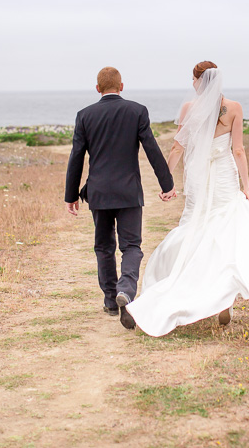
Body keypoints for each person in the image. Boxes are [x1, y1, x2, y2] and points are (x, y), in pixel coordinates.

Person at [126, 61, 249, 336]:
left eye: (193, 79)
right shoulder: (234, 108)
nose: (192, 84)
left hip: (200, 177)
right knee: (225, 230)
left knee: (193, 228)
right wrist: (246, 187)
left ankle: (187, 285)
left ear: (198, 81)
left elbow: (178, 147)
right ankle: (223, 295)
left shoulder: (189, 109)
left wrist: (166, 181)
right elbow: (238, 150)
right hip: (225, 175)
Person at [64, 66, 176, 330]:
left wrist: (71, 195)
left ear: (97, 88)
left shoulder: (84, 115)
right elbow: (152, 148)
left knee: (103, 247)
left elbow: (76, 157)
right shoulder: (137, 111)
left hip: (99, 193)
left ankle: (110, 301)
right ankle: (126, 288)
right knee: (131, 246)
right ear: (121, 86)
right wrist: (167, 184)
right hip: (128, 192)